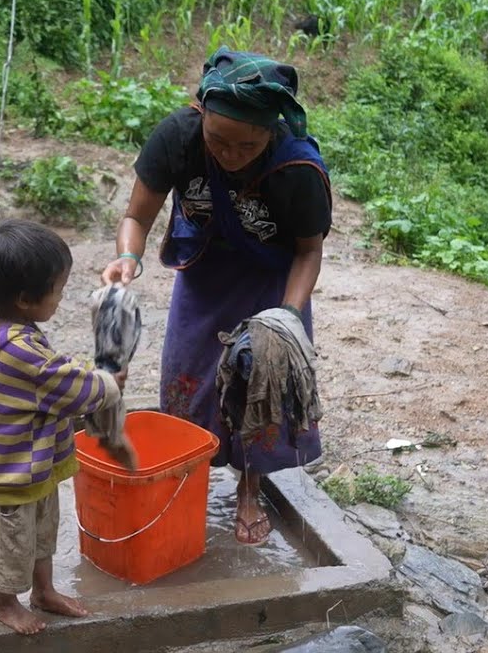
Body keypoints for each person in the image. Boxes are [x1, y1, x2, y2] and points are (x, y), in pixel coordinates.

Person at [101, 46, 332, 546]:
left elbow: (308, 253)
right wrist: (129, 258)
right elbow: (137, 217)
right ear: (201, 112)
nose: (229, 155)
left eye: (246, 146)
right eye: (218, 141)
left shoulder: (299, 171)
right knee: (187, 380)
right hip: (203, 274)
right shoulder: (178, 138)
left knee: (259, 384)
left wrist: (288, 318)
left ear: (271, 133)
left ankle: (250, 489)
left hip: (272, 285)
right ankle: (187, 476)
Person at [0, 219, 127, 634]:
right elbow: (65, 384)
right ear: (27, 299)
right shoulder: (17, 350)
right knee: (15, 542)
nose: (61, 297)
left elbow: (51, 371)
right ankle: (4, 602)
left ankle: (44, 590)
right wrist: (108, 383)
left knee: (42, 529)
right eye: (59, 289)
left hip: (34, 461)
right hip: (13, 471)